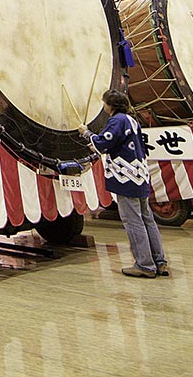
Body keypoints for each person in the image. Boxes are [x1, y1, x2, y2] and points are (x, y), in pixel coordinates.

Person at [79, 89, 168, 279]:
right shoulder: (132, 120)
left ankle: (144, 265)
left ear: (110, 105)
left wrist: (86, 133)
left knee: (133, 221)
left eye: (104, 103)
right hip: (140, 174)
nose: (103, 106)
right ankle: (159, 261)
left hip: (126, 177)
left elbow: (103, 144)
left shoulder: (117, 120)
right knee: (147, 219)